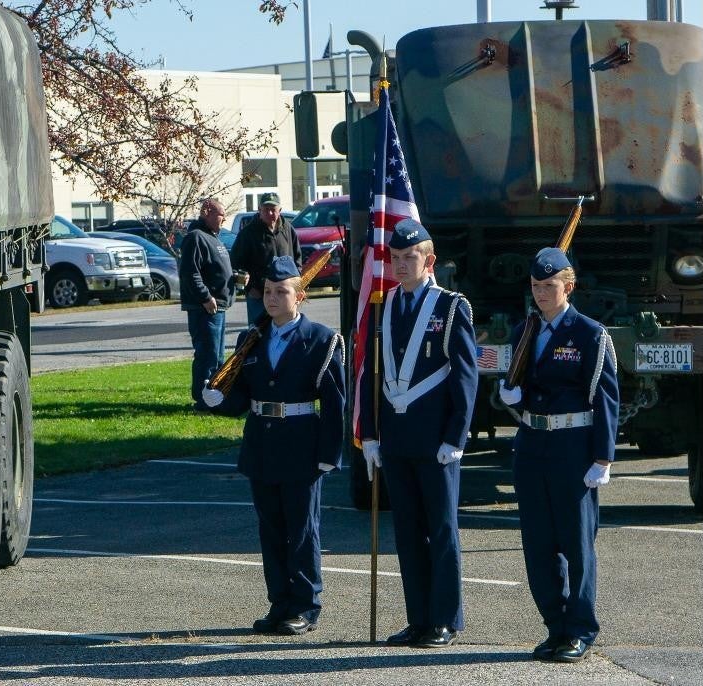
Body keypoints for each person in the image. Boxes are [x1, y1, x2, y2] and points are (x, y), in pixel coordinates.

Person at [205, 255, 344, 636]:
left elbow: (334, 403)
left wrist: (330, 455)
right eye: (268, 291)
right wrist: (219, 400)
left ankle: (305, 605)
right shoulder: (252, 337)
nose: (272, 298)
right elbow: (244, 395)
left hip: (301, 443)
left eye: (281, 292)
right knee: (271, 529)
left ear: (300, 296)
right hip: (262, 444)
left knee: (301, 530)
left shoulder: (321, 339)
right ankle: (279, 603)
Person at [358, 219, 478, 649]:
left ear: (429, 261)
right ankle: (418, 618)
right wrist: (369, 434)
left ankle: (444, 619)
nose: (401, 265)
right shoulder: (383, 304)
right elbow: (371, 374)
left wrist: (456, 437)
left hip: (435, 440)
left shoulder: (450, 307)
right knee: (407, 533)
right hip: (396, 437)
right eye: (396, 258)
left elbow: (466, 376)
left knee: (441, 530)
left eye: (410, 258)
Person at [497, 247, 620, 663]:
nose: (541, 294)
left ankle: (580, 628)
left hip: (572, 446)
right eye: (535, 286)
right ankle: (555, 625)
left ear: (568, 286)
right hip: (533, 444)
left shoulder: (588, 334)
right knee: (538, 544)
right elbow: (519, 384)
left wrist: (602, 458)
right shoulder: (524, 332)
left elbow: (605, 398)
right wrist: (511, 394)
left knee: (577, 544)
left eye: (549, 286)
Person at [179, 198, 236, 411]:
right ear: (206, 212)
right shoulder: (195, 237)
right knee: (207, 355)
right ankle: (204, 401)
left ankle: (215, 397)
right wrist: (205, 297)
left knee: (217, 356)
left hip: (219, 306)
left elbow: (215, 269)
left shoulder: (213, 238)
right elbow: (190, 272)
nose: (224, 219)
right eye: (221, 214)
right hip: (205, 308)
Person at [232, 192, 302, 326]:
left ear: (280, 210)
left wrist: (296, 283)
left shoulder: (288, 229)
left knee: (286, 330)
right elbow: (236, 263)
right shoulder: (248, 233)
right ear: (259, 210)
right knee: (258, 335)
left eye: (273, 210)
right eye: (266, 209)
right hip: (259, 295)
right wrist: (250, 288)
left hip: (285, 294)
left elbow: (297, 258)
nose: (270, 213)